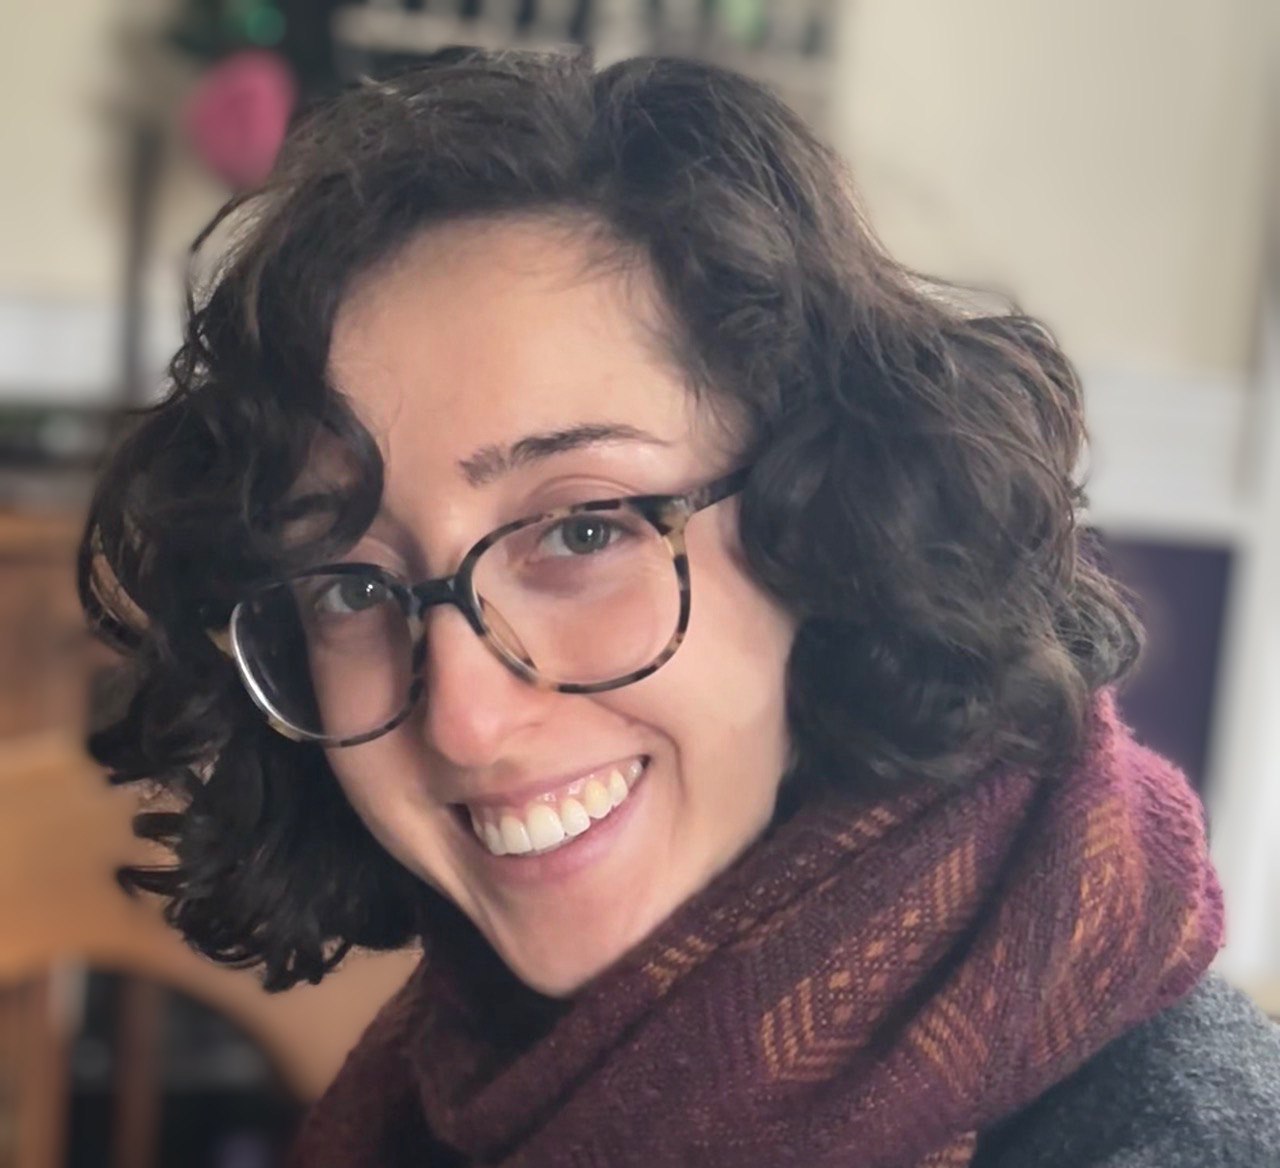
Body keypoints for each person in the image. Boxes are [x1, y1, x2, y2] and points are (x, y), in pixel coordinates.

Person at [79, 48, 1280, 1167]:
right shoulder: (460, 1078)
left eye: (582, 530)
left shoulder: (1165, 1132)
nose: (463, 720)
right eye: (349, 583)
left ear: (828, 518)